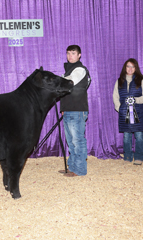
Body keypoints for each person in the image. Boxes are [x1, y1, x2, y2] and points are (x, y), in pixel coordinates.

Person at [58, 45, 91, 177]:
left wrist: (55, 81)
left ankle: (80, 170)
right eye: (68, 53)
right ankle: (72, 166)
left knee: (77, 141)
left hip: (77, 110)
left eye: (73, 53)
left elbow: (69, 82)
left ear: (79, 55)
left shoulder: (79, 69)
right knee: (71, 141)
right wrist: (63, 108)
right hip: (69, 110)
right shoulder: (68, 71)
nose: (70, 56)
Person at [113, 58, 143, 165]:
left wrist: (136, 100)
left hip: (138, 113)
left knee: (139, 134)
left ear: (136, 68)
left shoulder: (141, 80)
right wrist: (119, 108)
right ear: (125, 68)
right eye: (128, 66)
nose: (130, 69)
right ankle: (127, 157)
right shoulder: (119, 81)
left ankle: (139, 157)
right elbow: (115, 96)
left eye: (132, 66)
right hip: (124, 113)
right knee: (126, 135)